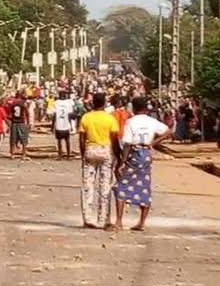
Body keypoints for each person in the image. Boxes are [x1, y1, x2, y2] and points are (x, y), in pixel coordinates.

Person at [113, 97, 171, 231]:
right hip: (146, 155)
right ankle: (141, 222)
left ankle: (119, 221)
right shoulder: (152, 121)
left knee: (121, 186)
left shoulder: (130, 122)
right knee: (145, 186)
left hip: (134, 154)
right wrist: (153, 143)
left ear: (133, 108)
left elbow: (127, 144)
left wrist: (122, 162)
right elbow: (168, 131)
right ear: (146, 108)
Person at [78, 93, 120, 230]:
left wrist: (83, 154)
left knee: (87, 186)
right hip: (105, 151)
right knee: (105, 186)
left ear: (92, 103)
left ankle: (87, 219)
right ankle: (104, 219)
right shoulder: (110, 119)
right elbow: (114, 138)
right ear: (105, 103)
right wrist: (118, 157)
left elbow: (82, 138)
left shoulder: (86, 117)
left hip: (90, 150)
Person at [52, 90, 74, 159]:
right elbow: (70, 115)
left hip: (59, 124)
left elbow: (54, 115)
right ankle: (68, 155)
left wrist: (52, 125)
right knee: (67, 140)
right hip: (66, 124)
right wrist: (71, 125)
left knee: (59, 140)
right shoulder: (69, 103)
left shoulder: (56, 103)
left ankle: (60, 155)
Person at [9, 92, 31, 160]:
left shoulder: (13, 103)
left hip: (14, 122)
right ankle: (23, 155)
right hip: (21, 122)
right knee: (24, 139)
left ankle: (12, 154)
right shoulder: (23, 104)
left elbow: (10, 113)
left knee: (13, 138)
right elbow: (27, 113)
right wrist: (28, 122)